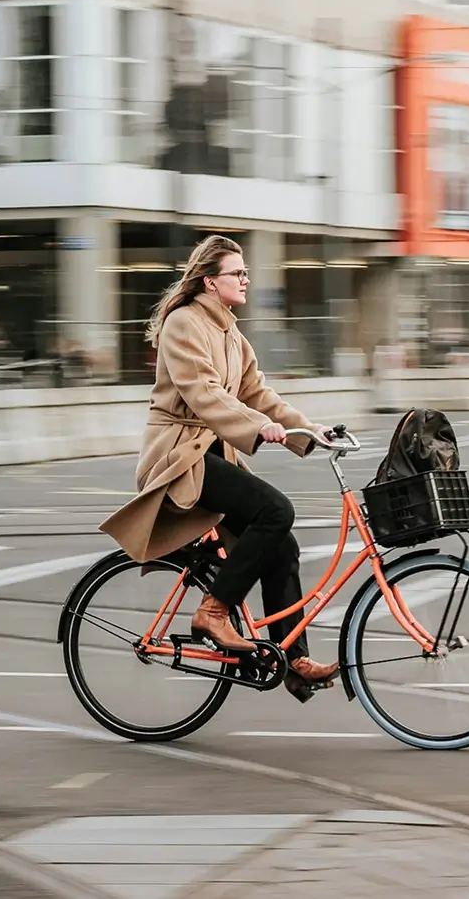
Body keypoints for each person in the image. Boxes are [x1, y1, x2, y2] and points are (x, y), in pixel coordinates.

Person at [99, 234, 340, 701]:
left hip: (211, 454)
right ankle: (214, 612)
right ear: (210, 282)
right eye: (238, 272)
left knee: (282, 546)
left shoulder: (231, 332)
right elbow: (205, 395)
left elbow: (258, 394)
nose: (246, 279)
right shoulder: (183, 325)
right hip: (180, 455)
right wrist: (258, 427)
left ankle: (293, 659)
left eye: (246, 272)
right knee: (276, 510)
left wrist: (310, 431)